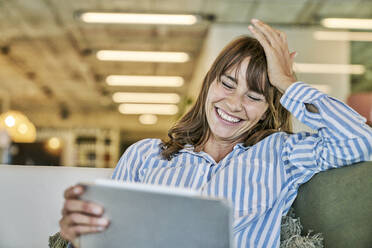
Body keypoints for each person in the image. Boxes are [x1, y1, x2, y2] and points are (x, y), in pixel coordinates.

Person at [59, 19, 372, 248]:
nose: (234, 104)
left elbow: (360, 141)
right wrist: (80, 238)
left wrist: (287, 83)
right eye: (227, 83)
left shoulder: (283, 154)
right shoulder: (145, 156)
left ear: (268, 108)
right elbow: (108, 239)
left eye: (254, 96)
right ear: (208, 84)